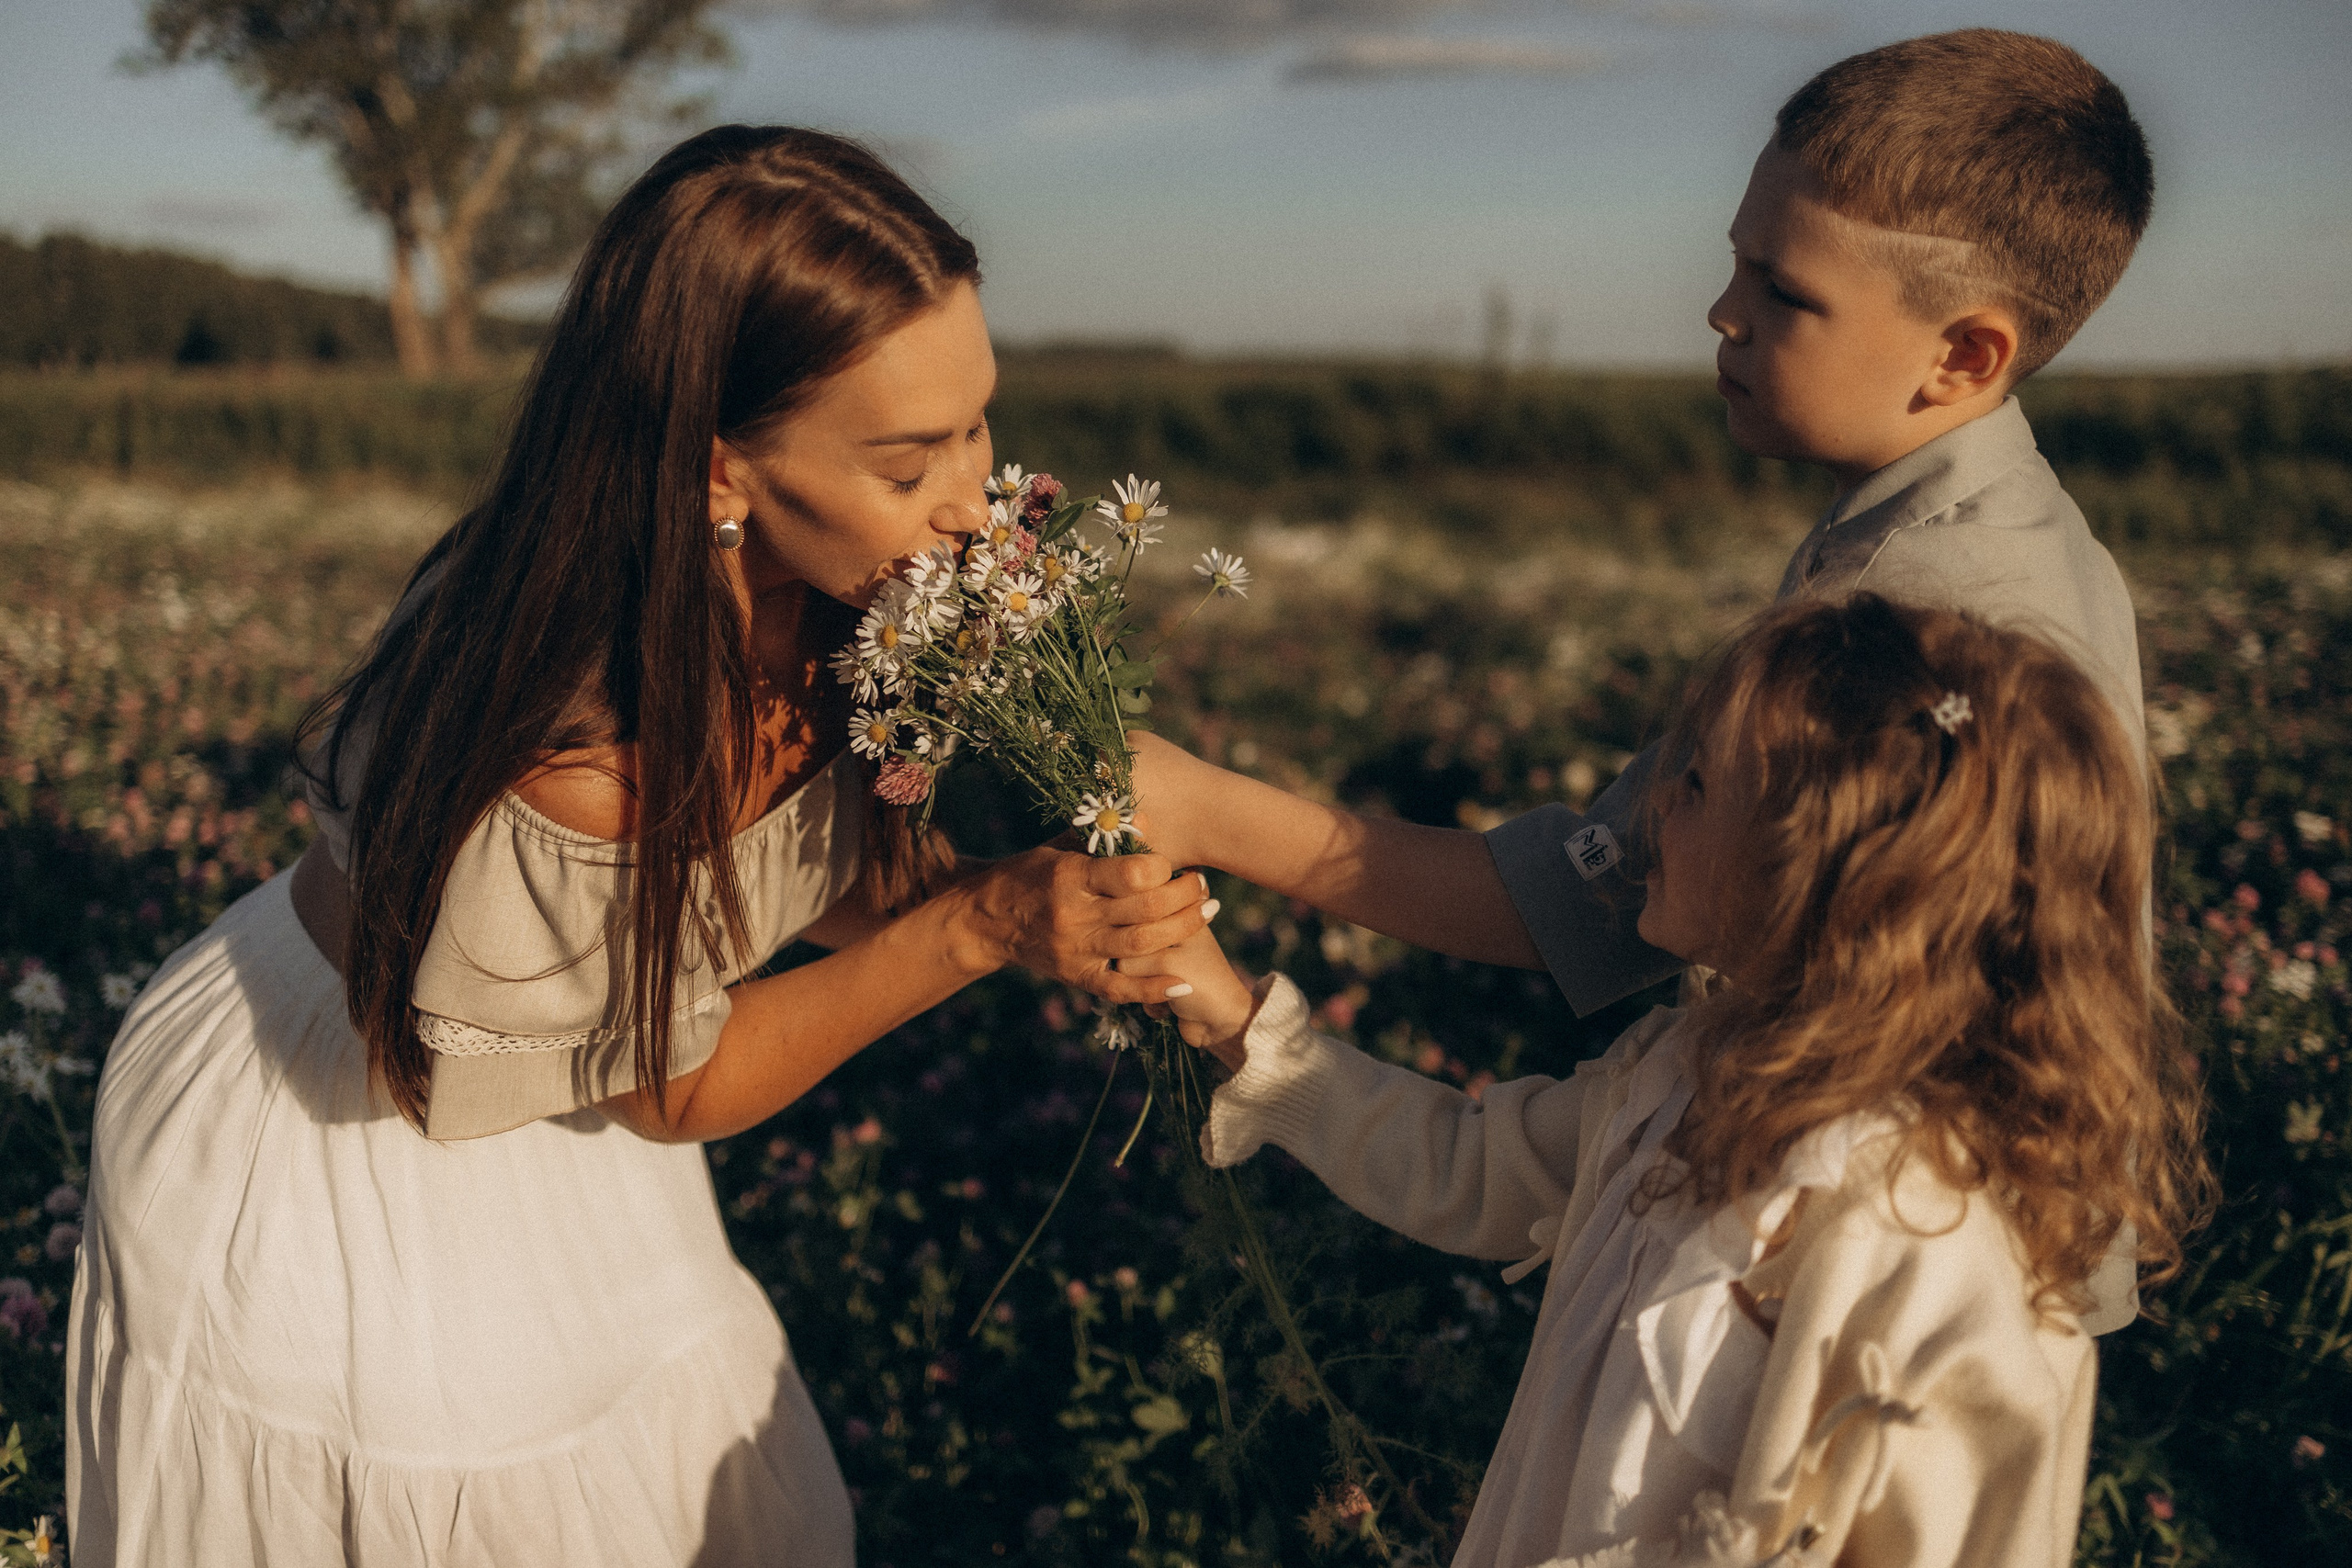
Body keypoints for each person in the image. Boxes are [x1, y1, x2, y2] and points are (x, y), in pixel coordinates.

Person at [65, 127, 1204, 1566]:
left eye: (977, 424)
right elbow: (682, 1084)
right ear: (722, 470)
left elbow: (810, 872)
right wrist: (984, 925)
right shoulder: (583, 746)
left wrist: (1044, 890)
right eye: (912, 458)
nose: (975, 501)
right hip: (337, 1147)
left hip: (572, 1091)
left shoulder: (843, 589)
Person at [1130, 27, 2160, 1332]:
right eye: (1737, 261)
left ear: (1963, 355)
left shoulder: (1915, 624)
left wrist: (1208, 811)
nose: (1723, 311)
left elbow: (1586, 904)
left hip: (1871, 1295)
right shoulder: (2002, 533)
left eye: (1782, 291)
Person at [1127, 594, 2213, 1567]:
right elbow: (1469, 1167)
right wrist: (1233, 1018)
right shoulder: (1684, 1074)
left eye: (1692, 787)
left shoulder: (1921, 1225)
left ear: (1814, 872)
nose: (1648, 812)